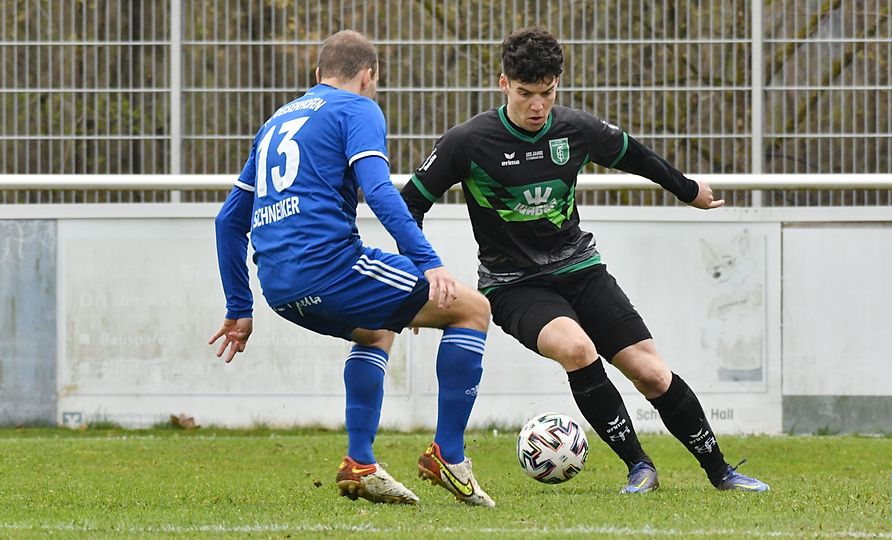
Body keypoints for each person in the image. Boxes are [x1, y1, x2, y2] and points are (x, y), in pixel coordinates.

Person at [401, 26, 769, 494]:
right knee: (577, 349)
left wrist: (687, 189)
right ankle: (640, 467)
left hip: (581, 269)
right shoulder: (468, 142)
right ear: (503, 84)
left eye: (547, 93)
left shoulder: (575, 129)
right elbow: (409, 205)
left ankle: (722, 472)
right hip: (513, 286)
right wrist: (417, 277)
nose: (537, 106)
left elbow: (635, 156)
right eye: (526, 93)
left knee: (651, 372)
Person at [209, 30, 494, 507]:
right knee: (472, 309)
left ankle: (360, 461)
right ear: (369, 75)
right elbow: (378, 191)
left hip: (278, 287)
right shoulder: (358, 108)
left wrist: (240, 307)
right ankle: (448, 454)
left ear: (317, 74)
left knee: (376, 332)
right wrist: (428, 265)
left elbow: (228, 222)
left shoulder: (277, 120)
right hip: (330, 268)